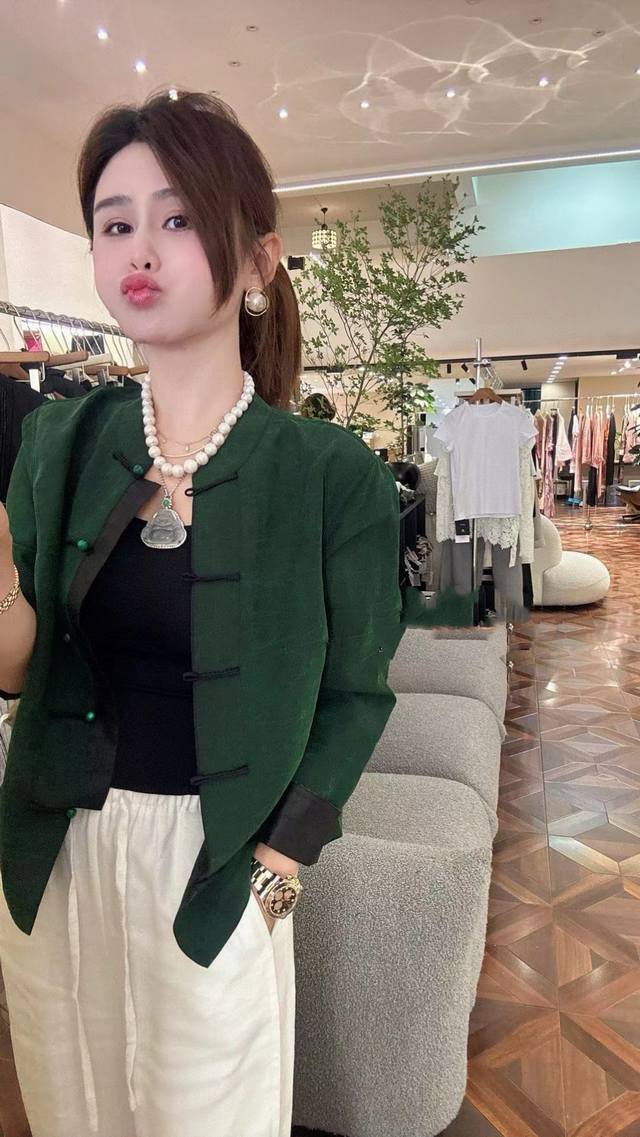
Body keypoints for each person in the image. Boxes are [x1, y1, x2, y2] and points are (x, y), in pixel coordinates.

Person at [0, 90, 475, 1137]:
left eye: (176, 218)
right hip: (56, 851)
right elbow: (20, 670)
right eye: (114, 223)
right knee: (75, 1103)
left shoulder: (328, 474)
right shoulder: (56, 444)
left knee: (207, 1109)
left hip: (215, 861)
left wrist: (276, 875)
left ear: (258, 262)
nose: (140, 247)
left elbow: (355, 696)